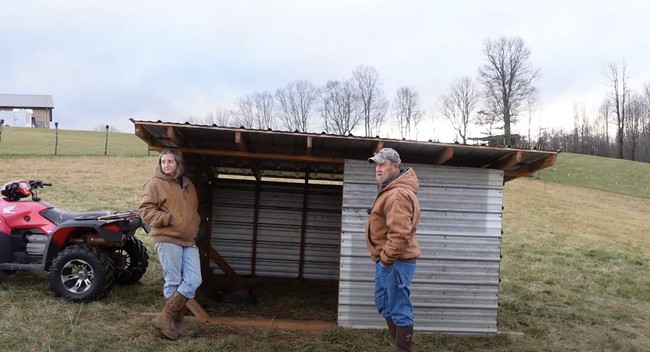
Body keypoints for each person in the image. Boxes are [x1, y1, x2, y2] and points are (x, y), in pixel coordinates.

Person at [139, 148, 202, 340]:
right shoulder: (155, 183)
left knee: (194, 279)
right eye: (163, 162)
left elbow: (192, 210)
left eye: (170, 161)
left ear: (178, 164)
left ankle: (165, 319)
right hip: (167, 238)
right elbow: (145, 211)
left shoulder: (189, 184)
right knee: (173, 281)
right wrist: (169, 219)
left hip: (188, 240)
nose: (166, 165)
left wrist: (193, 223)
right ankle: (176, 325)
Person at [366, 147, 421, 352]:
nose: (378, 169)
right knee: (385, 305)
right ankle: (398, 346)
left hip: (395, 261)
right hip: (387, 261)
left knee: (399, 308)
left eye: (382, 164)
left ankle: (403, 349)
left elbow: (400, 234)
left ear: (395, 166)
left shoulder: (397, 194)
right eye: (376, 165)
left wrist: (387, 260)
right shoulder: (390, 190)